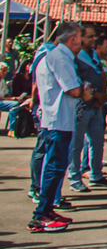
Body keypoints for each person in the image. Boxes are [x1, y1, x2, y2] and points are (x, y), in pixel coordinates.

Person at [28, 22, 87, 233]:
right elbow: (72, 90)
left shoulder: (55, 56)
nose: (82, 41)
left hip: (58, 119)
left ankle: (47, 209)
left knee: (57, 167)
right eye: (80, 37)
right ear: (72, 39)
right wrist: (83, 90)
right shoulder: (60, 58)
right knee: (54, 167)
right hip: (57, 120)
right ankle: (41, 214)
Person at [68, 24, 107, 192]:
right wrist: (94, 95)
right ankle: (74, 177)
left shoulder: (93, 54)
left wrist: (101, 96)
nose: (94, 39)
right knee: (77, 144)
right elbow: (76, 80)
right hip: (82, 106)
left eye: (94, 36)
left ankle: (96, 174)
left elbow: (101, 74)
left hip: (96, 107)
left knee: (97, 141)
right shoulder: (75, 56)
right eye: (90, 37)